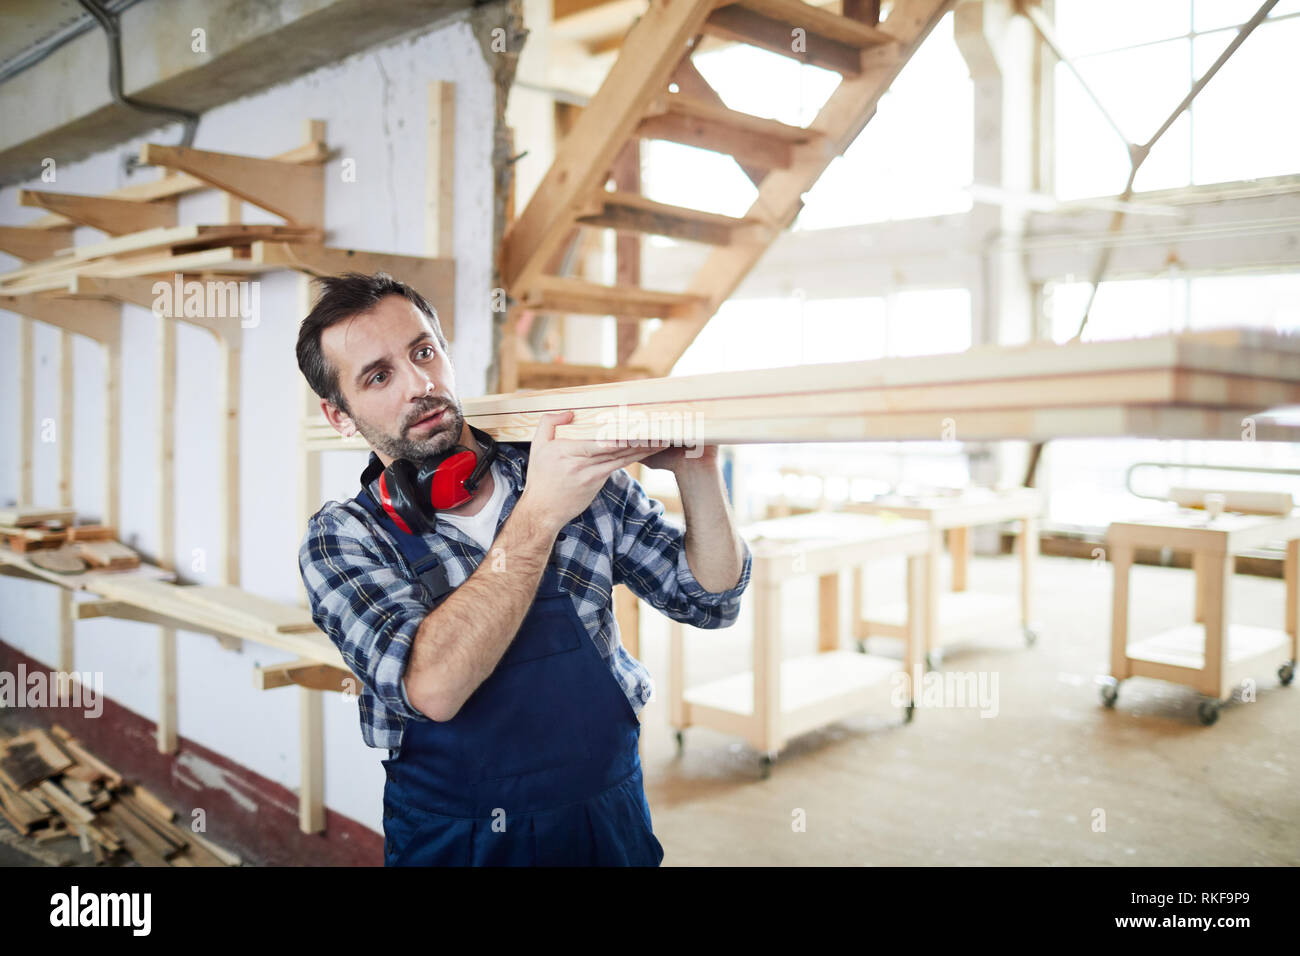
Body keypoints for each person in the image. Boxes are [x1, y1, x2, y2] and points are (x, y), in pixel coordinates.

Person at [295, 272, 752, 866]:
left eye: (424, 352)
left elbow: (710, 600)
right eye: (379, 376)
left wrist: (697, 468)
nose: (420, 384)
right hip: (458, 841)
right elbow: (433, 687)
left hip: (604, 820)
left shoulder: (565, 469)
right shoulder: (343, 540)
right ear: (340, 417)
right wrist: (539, 515)